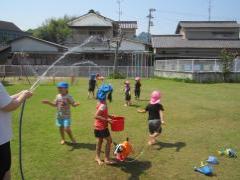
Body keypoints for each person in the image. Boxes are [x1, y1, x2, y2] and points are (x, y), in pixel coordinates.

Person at [0, 82, 32, 180]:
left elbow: (5, 100)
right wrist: (23, 96)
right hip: (1, 141)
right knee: (5, 171)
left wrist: (20, 93)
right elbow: (10, 106)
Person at [94, 84, 115, 165]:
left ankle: (97, 157)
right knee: (109, 140)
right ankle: (106, 159)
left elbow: (102, 113)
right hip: (101, 127)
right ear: (105, 94)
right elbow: (96, 116)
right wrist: (107, 120)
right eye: (108, 93)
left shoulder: (100, 101)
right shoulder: (102, 104)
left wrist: (109, 116)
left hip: (98, 126)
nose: (109, 94)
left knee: (100, 141)